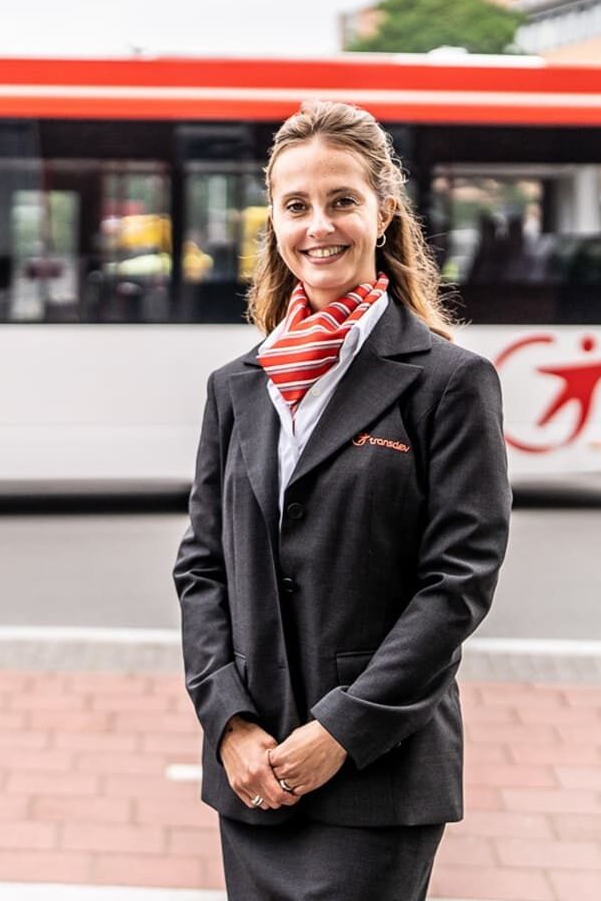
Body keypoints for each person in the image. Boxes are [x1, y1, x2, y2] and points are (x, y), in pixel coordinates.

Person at [171, 100, 508, 900]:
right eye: (296, 205)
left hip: (377, 773)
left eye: (341, 201)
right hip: (255, 772)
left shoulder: (449, 383)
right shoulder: (237, 387)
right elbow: (202, 567)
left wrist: (343, 730)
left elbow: (457, 584)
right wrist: (228, 721)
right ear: (274, 223)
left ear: (383, 214)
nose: (318, 226)